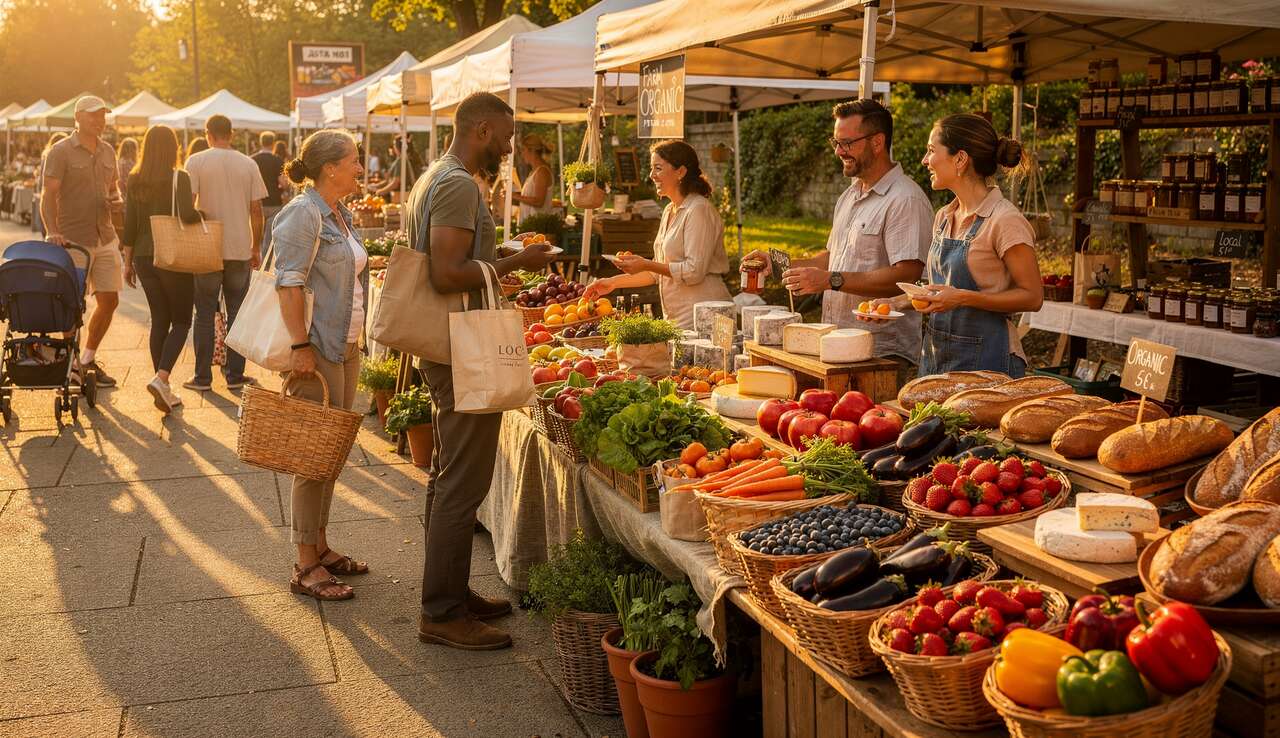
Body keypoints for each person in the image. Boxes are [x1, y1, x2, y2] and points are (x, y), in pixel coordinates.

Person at [409, 92, 556, 651]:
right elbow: (448, 272)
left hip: (450, 343)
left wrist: (500, 262)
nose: (512, 144)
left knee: (450, 475)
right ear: (485, 129)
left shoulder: (437, 176)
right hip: (460, 348)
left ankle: (448, 592)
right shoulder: (458, 184)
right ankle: (442, 612)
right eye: (508, 134)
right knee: (462, 483)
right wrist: (518, 262)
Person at [745, 99, 932, 381]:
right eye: (836, 142)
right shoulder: (850, 195)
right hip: (837, 345)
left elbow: (907, 274)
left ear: (877, 142)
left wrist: (831, 280)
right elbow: (832, 258)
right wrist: (778, 263)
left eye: (846, 143)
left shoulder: (905, 198)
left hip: (880, 354)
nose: (838, 151)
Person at [272, 129, 370, 601]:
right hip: (318, 349)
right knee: (312, 459)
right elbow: (288, 284)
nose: (359, 167)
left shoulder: (338, 212)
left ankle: (322, 545)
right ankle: (305, 565)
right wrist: (299, 347)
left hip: (344, 345)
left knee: (330, 454)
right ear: (329, 167)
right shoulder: (302, 213)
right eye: (353, 160)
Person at [875, 114, 1043, 377]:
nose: (924, 160)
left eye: (931, 150)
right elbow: (939, 290)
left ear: (960, 159)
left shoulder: (1005, 220)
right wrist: (895, 303)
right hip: (936, 355)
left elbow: (1033, 296)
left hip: (988, 361)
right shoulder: (943, 216)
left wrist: (963, 298)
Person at [584, 140, 731, 330]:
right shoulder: (670, 210)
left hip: (706, 315)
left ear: (681, 172)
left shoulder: (699, 210)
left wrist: (644, 263)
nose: (652, 175)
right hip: (678, 316)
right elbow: (657, 272)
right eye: (652, 169)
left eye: (658, 168)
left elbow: (694, 271)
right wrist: (611, 283)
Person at [40, 95, 124, 386]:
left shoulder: (108, 151)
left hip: (106, 236)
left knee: (110, 299)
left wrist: (117, 203)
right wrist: (52, 230)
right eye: (93, 115)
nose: (100, 120)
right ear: (77, 117)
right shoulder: (61, 151)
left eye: (103, 115)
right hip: (72, 239)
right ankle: (71, 365)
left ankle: (87, 359)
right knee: (72, 305)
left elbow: (113, 189)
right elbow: (48, 195)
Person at [183, 114, 268, 391]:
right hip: (239, 247)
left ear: (208, 134)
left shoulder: (196, 161)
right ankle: (234, 375)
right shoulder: (248, 164)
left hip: (207, 247)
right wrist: (255, 246)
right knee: (237, 313)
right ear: (231, 134)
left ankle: (202, 377)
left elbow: (188, 206)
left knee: (204, 313)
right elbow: (257, 211)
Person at [120, 125, 201, 413]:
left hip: (143, 257)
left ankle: (161, 385)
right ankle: (162, 378)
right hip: (172, 256)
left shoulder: (135, 178)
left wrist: (127, 263)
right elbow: (188, 216)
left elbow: (129, 224)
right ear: (174, 147)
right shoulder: (180, 177)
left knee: (159, 320)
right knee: (181, 321)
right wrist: (203, 213)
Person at [251, 131, 285, 251]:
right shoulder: (277, 160)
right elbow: (283, 183)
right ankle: (264, 265)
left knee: (254, 237)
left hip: (255, 201)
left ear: (261, 143)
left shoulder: (252, 160)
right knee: (269, 239)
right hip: (273, 202)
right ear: (273, 143)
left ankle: (254, 258)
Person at [32, 132, 67, 234]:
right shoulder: (53, 157)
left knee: (47, 226)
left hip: (45, 193)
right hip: (55, 197)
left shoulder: (45, 156)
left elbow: (41, 181)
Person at [513, 133, 553, 221]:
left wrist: (514, 196)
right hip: (530, 225)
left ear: (532, 151)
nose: (522, 154)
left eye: (523, 150)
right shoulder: (533, 171)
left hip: (537, 227)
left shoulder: (542, 171)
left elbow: (539, 201)